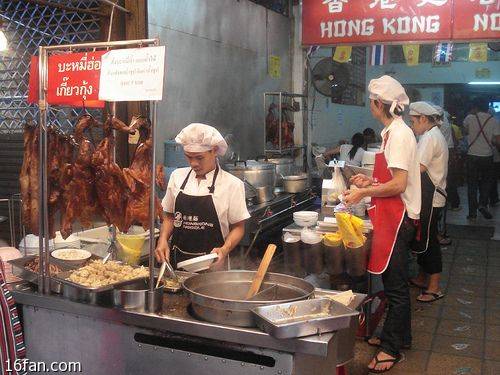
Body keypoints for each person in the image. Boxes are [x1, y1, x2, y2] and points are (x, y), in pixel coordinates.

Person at [344, 75, 421, 373]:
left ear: (378, 104)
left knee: (396, 288)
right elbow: (391, 179)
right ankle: (401, 337)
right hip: (390, 213)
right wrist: (371, 181)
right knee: (395, 284)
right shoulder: (391, 132)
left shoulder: (399, 134)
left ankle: (391, 350)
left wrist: (363, 191)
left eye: (371, 102)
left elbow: (400, 184)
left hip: (398, 217)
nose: (370, 106)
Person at [155, 123, 250, 270]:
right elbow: (169, 216)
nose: (193, 163)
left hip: (214, 266)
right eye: (189, 157)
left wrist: (224, 250)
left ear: (214, 151)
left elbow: (238, 227)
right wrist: (162, 240)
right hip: (177, 265)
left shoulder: (232, 184)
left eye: (199, 158)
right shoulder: (177, 177)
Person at [408, 102, 448, 303]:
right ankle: (423, 278)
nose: (412, 125)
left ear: (423, 119)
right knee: (423, 238)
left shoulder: (430, 137)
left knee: (429, 241)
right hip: (429, 197)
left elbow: (419, 168)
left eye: (413, 121)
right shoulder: (432, 135)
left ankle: (434, 287)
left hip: (431, 198)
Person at [463, 97, 500, 220]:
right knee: (486, 182)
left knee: (472, 185)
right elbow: (497, 141)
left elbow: (465, 131)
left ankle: (472, 214)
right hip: (487, 156)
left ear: (475, 107)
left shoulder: (469, 118)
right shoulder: (494, 121)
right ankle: (482, 204)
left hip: (472, 156)